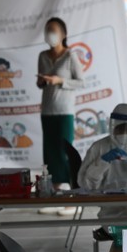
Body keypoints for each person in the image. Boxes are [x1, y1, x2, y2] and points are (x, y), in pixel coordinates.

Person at [37, 17, 84, 199]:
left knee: (65, 151)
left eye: (54, 30)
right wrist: (42, 81)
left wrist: (60, 80)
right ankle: (54, 192)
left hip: (64, 111)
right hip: (47, 110)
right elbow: (40, 83)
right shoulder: (43, 56)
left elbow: (81, 81)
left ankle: (70, 193)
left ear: (63, 34)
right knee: (50, 152)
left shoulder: (70, 55)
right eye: (48, 30)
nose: (50, 34)